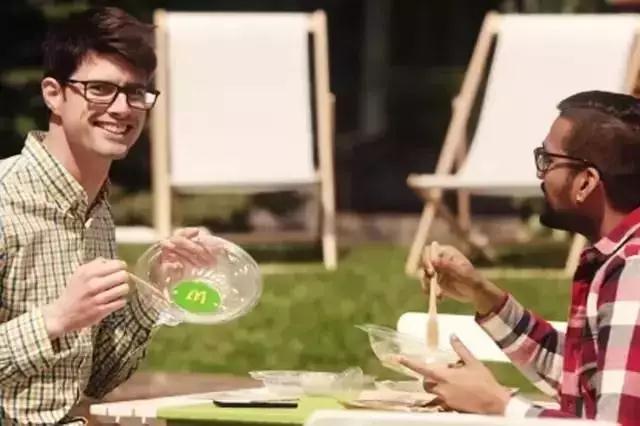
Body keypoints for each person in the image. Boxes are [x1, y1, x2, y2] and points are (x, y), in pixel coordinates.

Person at [0, 7, 215, 424]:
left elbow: (96, 379)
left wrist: (155, 290)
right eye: (99, 89)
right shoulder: (4, 200)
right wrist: (56, 319)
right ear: (53, 94)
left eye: (136, 92)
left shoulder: (96, 213)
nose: (122, 108)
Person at [398, 90, 640, 424]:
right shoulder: (617, 257)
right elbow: (585, 379)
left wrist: (498, 405)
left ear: (585, 183)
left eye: (548, 160)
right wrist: (483, 295)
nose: (541, 174)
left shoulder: (632, 270)